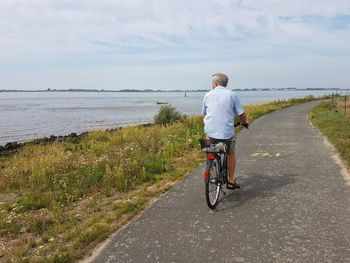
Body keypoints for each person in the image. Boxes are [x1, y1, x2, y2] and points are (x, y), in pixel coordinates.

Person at [201, 73, 248, 189]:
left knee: (209, 145)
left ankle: (210, 170)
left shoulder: (207, 95)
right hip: (226, 134)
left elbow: (204, 114)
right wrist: (244, 122)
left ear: (215, 83)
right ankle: (231, 181)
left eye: (212, 83)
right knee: (230, 153)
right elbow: (241, 113)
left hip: (211, 132)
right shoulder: (232, 95)